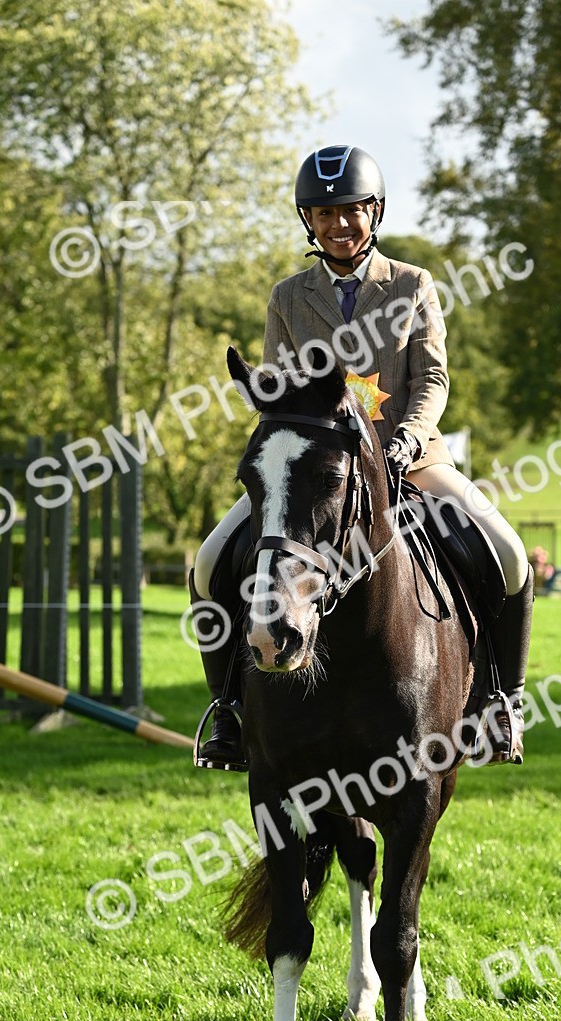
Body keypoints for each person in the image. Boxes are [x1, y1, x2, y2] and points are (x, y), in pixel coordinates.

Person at [192, 144, 533, 768]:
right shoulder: (288, 297)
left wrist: (404, 439)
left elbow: (432, 380)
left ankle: (501, 701)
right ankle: (231, 714)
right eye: (324, 214)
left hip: (413, 456)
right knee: (211, 561)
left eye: (350, 211)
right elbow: (277, 392)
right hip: (315, 472)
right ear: (308, 221)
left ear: (374, 212)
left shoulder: (412, 284)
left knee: (508, 555)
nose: (338, 224)